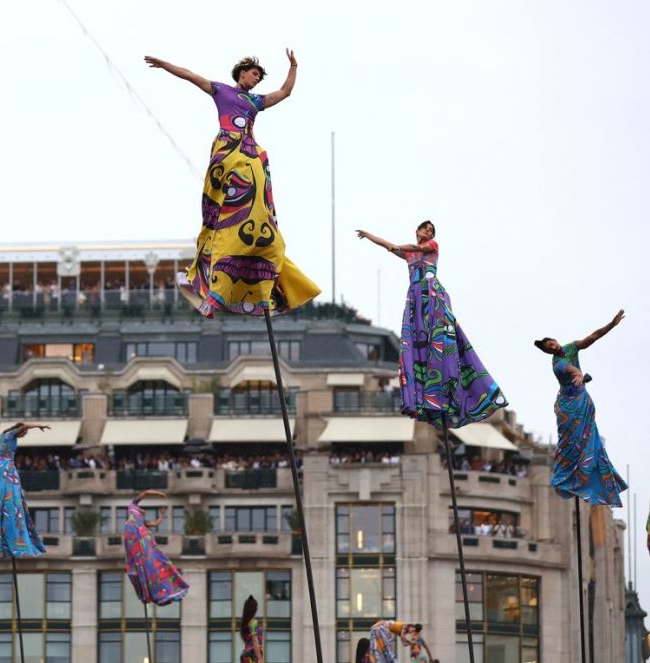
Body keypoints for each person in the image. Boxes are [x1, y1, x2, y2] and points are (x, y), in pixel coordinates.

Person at [145, 51, 320, 318]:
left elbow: (284, 92)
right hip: (229, 150)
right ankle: (227, 215)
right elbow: (190, 75)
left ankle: (260, 215)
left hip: (248, 152)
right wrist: (164, 65)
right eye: (254, 74)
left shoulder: (255, 101)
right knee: (236, 179)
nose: (256, 80)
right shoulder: (221, 91)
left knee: (259, 168)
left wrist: (294, 66)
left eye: (259, 78)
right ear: (242, 72)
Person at [357, 222, 506, 428]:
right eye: (425, 228)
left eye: (431, 230)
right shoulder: (408, 255)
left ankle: (450, 384)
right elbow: (387, 244)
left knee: (439, 338)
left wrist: (397, 247)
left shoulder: (431, 246)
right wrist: (369, 235)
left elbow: (415, 248)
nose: (428, 232)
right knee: (417, 343)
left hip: (432, 296)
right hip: (416, 299)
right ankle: (426, 390)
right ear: (417, 230)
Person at [534, 310, 628, 506]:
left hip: (582, 401)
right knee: (570, 443)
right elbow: (571, 370)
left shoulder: (570, 348)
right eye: (549, 348)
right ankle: (568, 479)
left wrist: (612, 324)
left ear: (555, 340)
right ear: (548, 352)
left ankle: (589, 478)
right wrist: (578, 373)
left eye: (552, 343)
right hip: (569, 406)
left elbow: (592, 338)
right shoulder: (558, 364)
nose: (553, 347)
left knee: (589, 441)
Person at [0, 423, 50, 558]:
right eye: (23, 433)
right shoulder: (9, 434)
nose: (23, 435)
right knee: (10, 500)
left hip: (4, 467)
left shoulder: (5, 436)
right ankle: (13, 536)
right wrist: (38, 426)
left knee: (9, 498)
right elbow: (24, 426)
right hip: (6, 467)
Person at [124, 489, 189, 606]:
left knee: (151, 560)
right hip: (134, 537)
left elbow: (155, 524)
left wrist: (162, 514)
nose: (144, 511)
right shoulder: (132, 507)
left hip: (141, 540)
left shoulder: (141, 520)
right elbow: (145, 493)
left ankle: (159, 590)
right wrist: (158, 494)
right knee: (141, 559)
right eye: (143, 509)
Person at [239, 594, 264, 663]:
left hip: (245, 656)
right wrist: (260, 658)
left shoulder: (245, 623)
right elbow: (255, 641)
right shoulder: (254, 623)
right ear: (254, 609)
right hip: (253, 656)